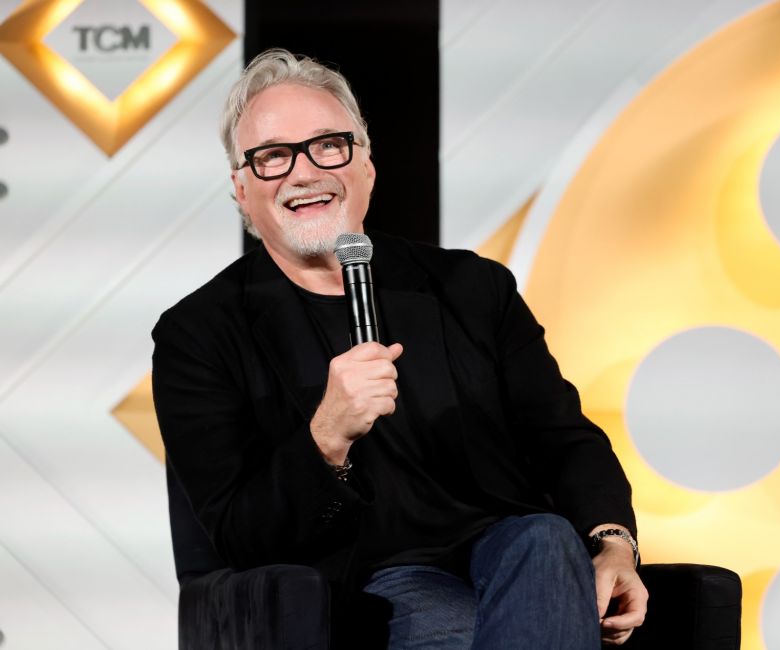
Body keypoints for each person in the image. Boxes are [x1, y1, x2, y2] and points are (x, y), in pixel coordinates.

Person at [152, 48, 647, 648]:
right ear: (240, 190)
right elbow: (237, 535)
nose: (304, 173)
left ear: (365, 164)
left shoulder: (472, 288)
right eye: (273, 157)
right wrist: (326, 437)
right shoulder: (200, 334)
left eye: (328, 145)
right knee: (464, 631)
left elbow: (562, 436)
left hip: (511, 551)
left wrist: (615, 543)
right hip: (371, 579)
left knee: (544, 537)